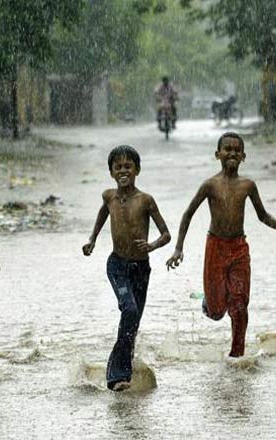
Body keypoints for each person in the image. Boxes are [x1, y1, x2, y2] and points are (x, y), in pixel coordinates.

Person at [166, 132, 276, 358]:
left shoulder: (247, 185)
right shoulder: (210, 185)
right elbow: (188, 214)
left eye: (237, 150)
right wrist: (178, 247)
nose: (232, 153)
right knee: (216, 312)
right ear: (218, 154)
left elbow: (262, 215)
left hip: (238, 249)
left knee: (239, 305)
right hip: (215, 247)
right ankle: (210, 301)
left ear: (244, 156)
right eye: (227, 149)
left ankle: (237, 356)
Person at [82, 146, 170, 391]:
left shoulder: (145, 200)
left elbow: (166, 235)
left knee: (133, 321)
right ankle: (117, 376)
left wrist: (151, 245)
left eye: (128, 166)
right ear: (111, 172)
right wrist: (92, 239)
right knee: (129, 310)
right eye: (118, 167)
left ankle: (124, 368)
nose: (123, 171)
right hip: (117, 265)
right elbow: (103, 214)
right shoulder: (109, 196)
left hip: (141, 269)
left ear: (137, 170)